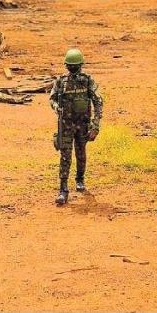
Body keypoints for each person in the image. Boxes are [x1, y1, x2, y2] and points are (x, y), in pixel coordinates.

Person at [49, 48, 103, 206]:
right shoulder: (60, 81)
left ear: (81, 65)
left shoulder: (88, 80)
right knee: (65, 156)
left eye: (75, 66)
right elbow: (52, 98)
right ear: (66, 66)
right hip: (66, 125)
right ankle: (63, 189)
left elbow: (98, 102)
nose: (73, 69)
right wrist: (56, 106)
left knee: (81, 154)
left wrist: (95, 125)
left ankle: (80, 179)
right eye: (70, 66)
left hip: (83, 124)